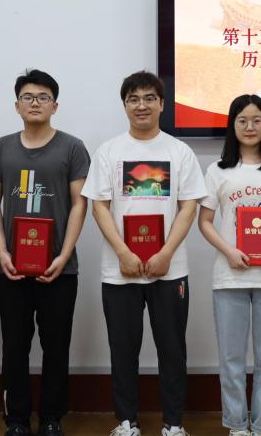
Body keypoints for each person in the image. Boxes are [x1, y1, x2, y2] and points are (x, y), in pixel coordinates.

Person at [82, 70, 206, 436]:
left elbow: (188, 207)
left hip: (170, 269)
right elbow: (99, 206)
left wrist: (166, 253)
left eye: (149, 98)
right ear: (124, 105)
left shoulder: (179, 151)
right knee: (123, 349)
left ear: (162, 104)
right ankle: (126, 421)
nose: (141, 105)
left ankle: (173, 424)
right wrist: (122, 252)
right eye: (133, 99)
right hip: (119, 270)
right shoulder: (109, 151)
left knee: (172, 349)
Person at [0, 70, 91, 436]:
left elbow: (80, 204)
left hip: (60, 268)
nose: (35, 103)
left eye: (43, 97)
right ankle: (15, 419)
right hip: (11, 267)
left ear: (55, 106)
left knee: (56, 346)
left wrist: (64, 254)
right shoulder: (1, 148)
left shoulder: (73, 147)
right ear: (17, 105)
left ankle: (51, 418)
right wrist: (2, 251)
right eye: (27, 97)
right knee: (14, 347)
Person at [198, 95, 261, 436]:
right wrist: (228, 251)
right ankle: (237, 425)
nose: (250, 126)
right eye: (242, 120)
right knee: (231, 361)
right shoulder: (217, 170)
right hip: (230, 277)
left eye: (257, 120)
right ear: (232, 125)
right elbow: (205, 222)